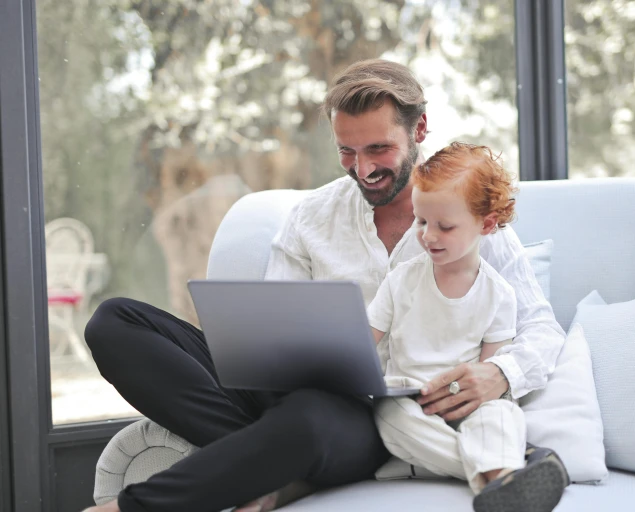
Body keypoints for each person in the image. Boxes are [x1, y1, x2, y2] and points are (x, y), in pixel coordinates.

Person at [82, 59, 567, 512]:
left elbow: (541, 329)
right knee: (115, 323)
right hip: (294, 395)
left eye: (379, 149)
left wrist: (499, 373)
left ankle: (138, 506)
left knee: (309, 421)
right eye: (347, 151)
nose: (364, 169)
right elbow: (276, 328)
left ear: (419, 130)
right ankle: (280, 462)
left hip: (374, 419)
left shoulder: (468, 221)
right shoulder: (312, 216)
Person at [369, 142, 568, 512]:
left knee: (501, 413)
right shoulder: (400, 280)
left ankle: (462, 470)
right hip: (412, 401)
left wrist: (473, 406)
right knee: (389, 418)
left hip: (467, 403)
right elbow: (365, 343)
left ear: (487, 224)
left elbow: (489, 371)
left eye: (444, 226)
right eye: (421, 221)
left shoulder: (500, 293)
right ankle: (503, 475)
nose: (428, 235)